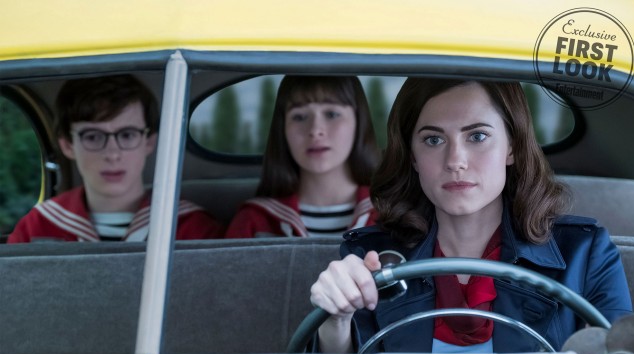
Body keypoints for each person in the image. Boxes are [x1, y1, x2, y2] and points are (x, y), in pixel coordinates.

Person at [310, 78, 632, 354]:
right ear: (413, 157)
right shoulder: (368, 257)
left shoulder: (585, 254)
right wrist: (335, 320)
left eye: (477, 136)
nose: (455, 161)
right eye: (433, 140)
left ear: (512, 146)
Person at [8, 74, 224, 243]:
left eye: (127, 135)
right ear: (68, 145)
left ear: (149, 141)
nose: (112, 154)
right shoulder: (36, 227)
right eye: (93, 136)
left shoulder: (190, 227)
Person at [225, 76, 380, 238]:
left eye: (332, 114)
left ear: (359, 122)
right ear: (282, 129)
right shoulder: (253, 220)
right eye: (299, 117)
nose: (315, 130)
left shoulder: (390, 215)